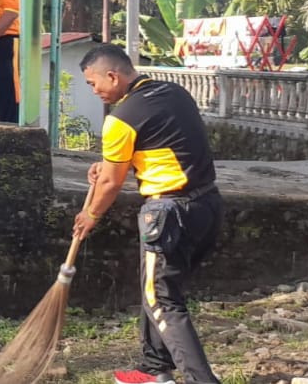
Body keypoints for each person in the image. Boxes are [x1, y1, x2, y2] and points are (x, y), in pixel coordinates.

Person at [73, 44, 222, 384]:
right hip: (207, 206)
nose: (94, 91)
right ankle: (154, 369)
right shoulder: (175, 93)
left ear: (113, 75)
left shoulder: (121, 119)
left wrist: (91, 216)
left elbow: (111, 182)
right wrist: (109, 164)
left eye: (93, 83)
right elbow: (165, 142)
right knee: (155, 289)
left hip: (169, 212)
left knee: (162, 301)